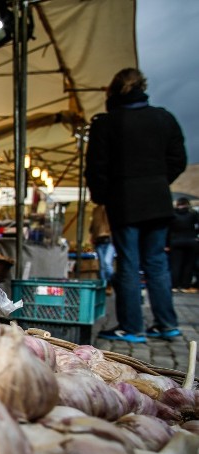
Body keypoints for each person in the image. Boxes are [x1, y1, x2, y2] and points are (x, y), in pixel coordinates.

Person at [85, 68, 187, 343]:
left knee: (128, 264)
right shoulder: (163, 118)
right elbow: (178, 159)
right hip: (157, 201)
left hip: (125, 202)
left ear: (114, 92)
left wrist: (104, 194)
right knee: (157, 264)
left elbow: (96, 167)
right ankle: (167, 324)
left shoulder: (107, 123)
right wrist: (157, 181)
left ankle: (131, 327)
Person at [168, 197, 199, 292]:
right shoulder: (193, 214)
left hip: (175, 241)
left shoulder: (173, 214)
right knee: (188, 265)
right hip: (191, 241)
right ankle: (185, 285)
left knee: (175, 264)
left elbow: (168, 229)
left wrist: (167, 243)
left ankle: (174, 285)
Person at [89, 204, 115, 290]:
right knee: (103, 265)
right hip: (99, 240)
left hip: (109, 240)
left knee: (106, 263)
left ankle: (111, 282)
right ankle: (105, 286)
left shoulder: (109, 207)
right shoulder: (96, 210)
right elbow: (92, 226)